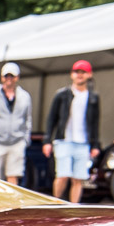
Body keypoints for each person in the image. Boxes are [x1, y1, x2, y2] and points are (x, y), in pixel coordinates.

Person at [44, 60, 101, 203]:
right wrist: (47, 140)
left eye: (83, 72)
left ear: (89, 74)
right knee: (62, 175)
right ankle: (56, 203)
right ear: (72, 74)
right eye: (77, 72)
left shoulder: (93, 98)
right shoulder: (62, 94)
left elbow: (94, 123)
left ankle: (74, 207)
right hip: (64, 140)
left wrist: (95, 145)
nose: (80, 75)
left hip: (83, 142)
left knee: (78, 178)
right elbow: (52, 119)